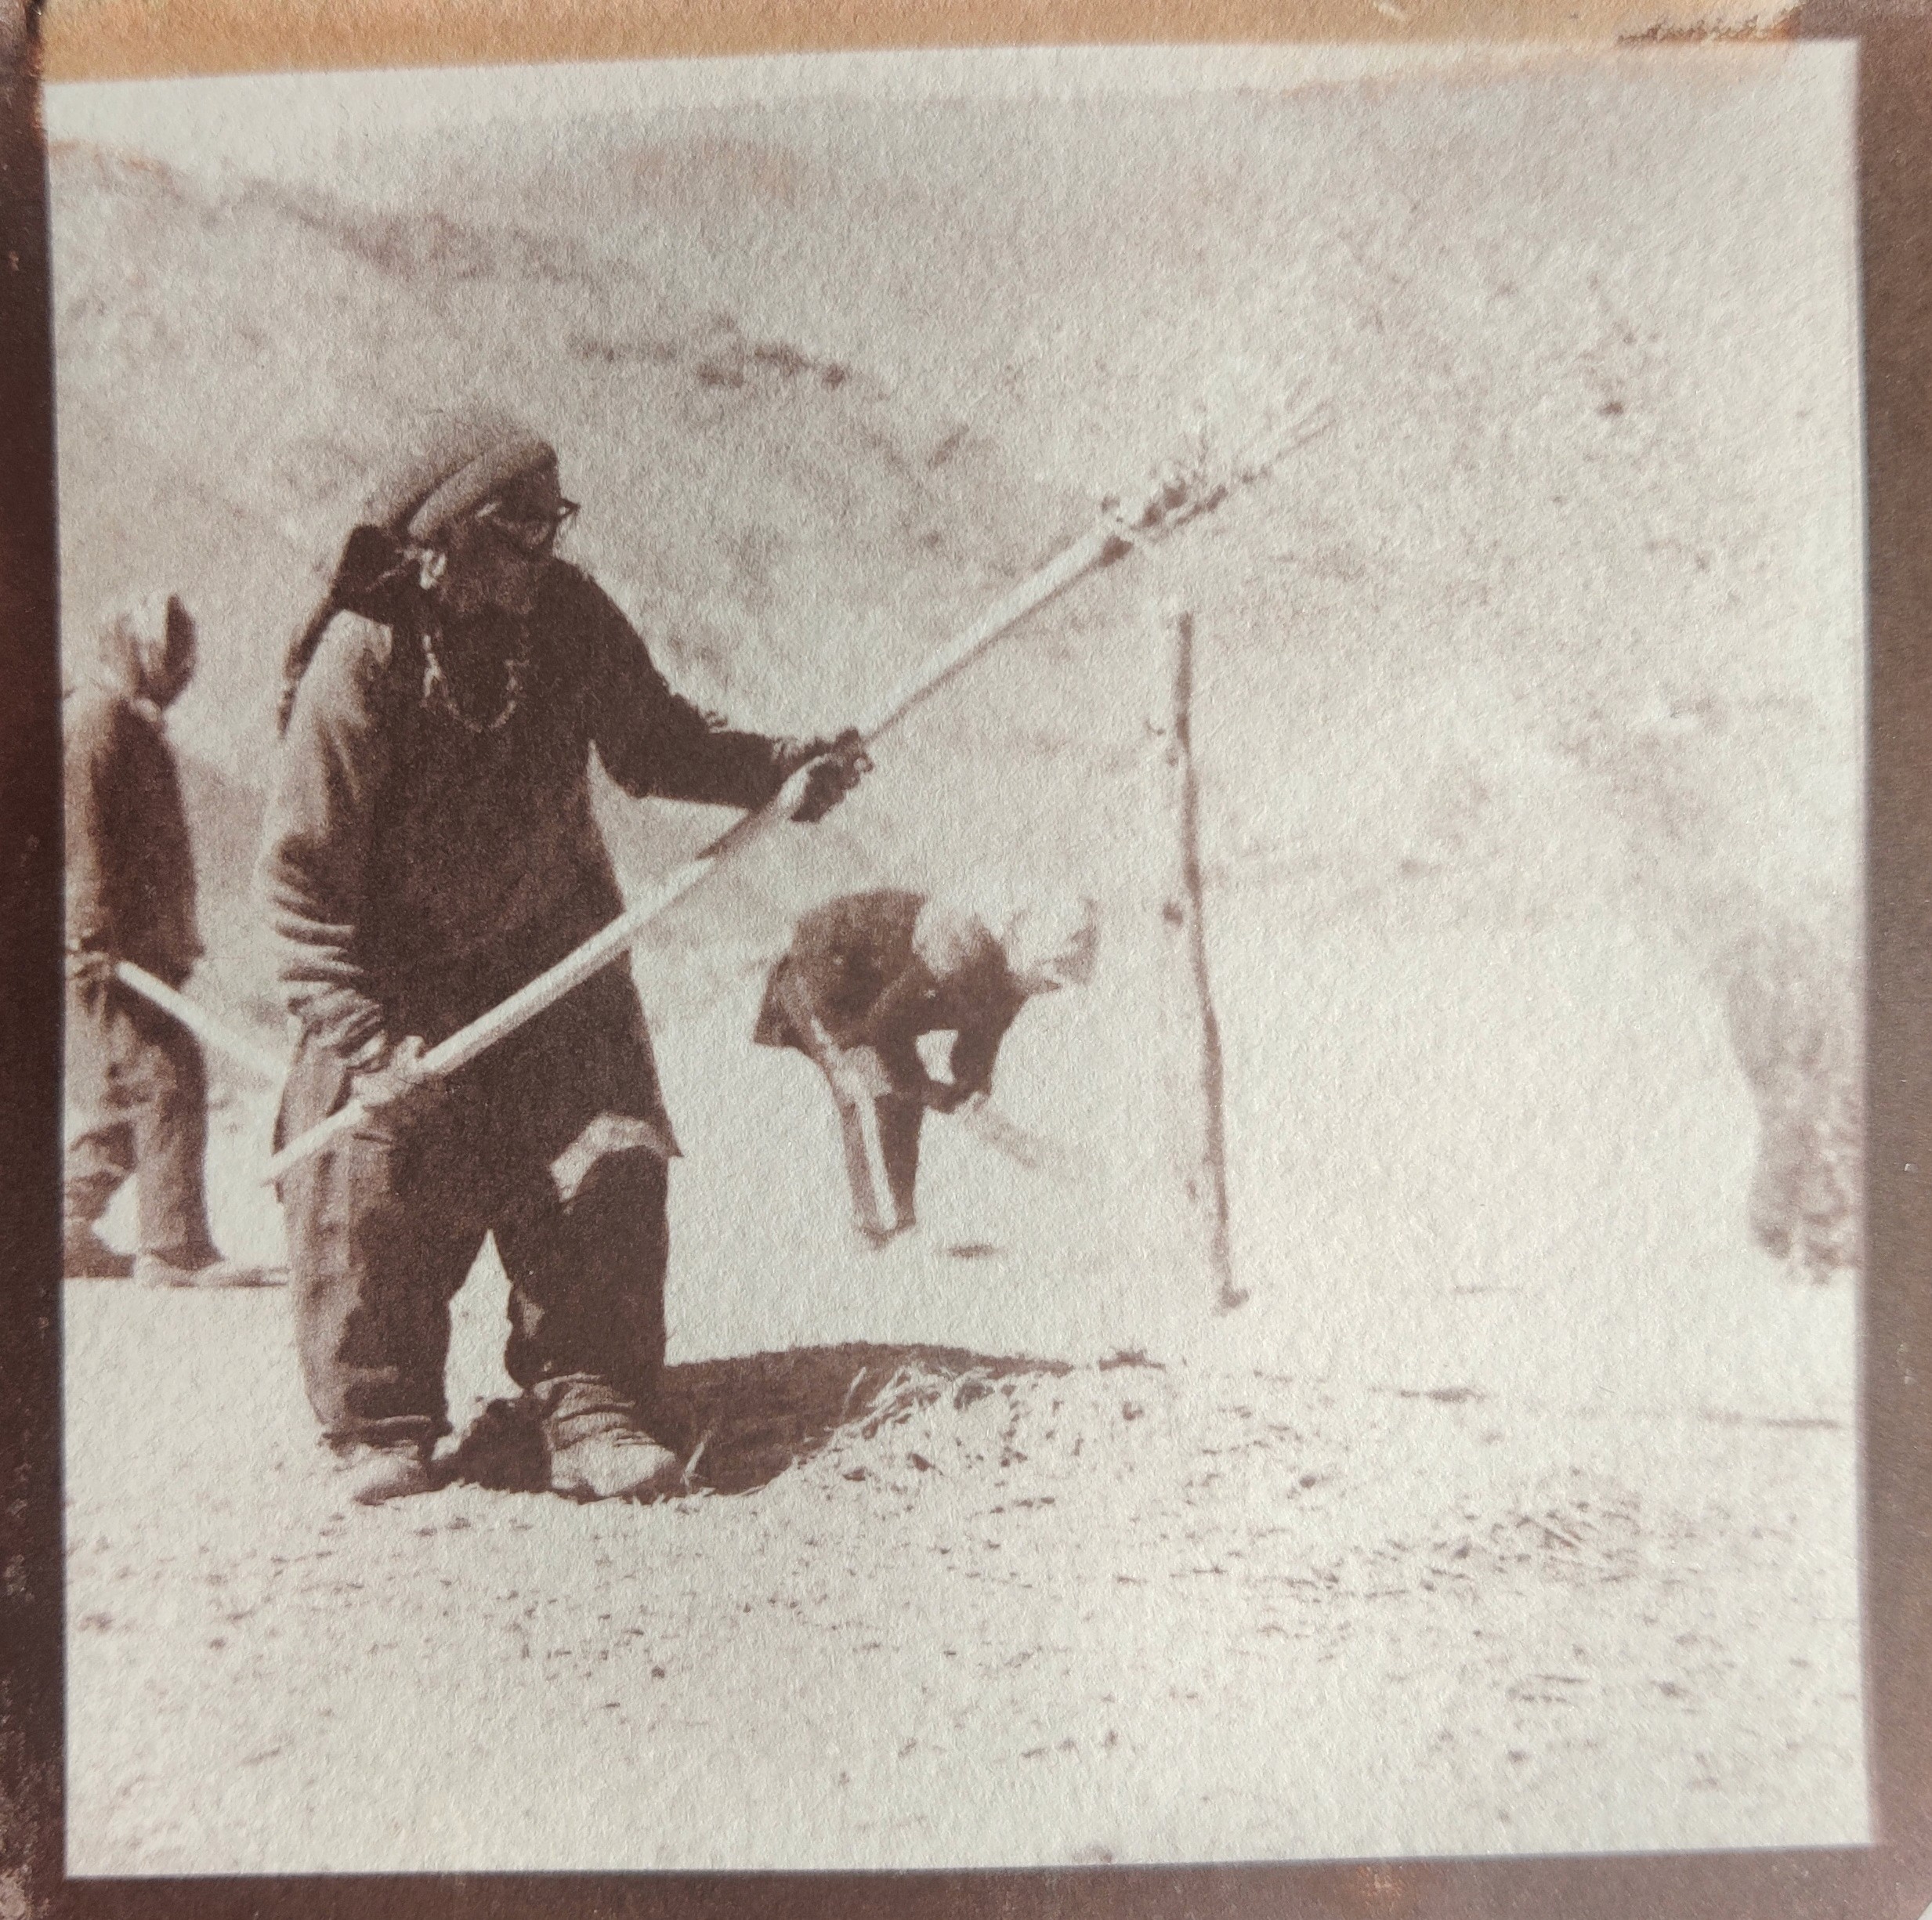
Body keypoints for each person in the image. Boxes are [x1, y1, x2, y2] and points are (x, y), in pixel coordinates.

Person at [259, 407, 867, 1507]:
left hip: (555, 946)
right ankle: (381, 1420)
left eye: (554, 524)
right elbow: (302, 888)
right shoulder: (364, 659)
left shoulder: (570, 618)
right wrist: (366, 1036)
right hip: (393, 980)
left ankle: (589, 1398)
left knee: (606, 1156)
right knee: (372, 1176)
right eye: (519, 529)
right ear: (442, 541)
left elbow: (658, 741)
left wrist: (779, 771)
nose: (545, 551)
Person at [63, 593, 270, 1289]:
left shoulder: (131, 721)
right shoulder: (96, 720)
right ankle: (173, 1244)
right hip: (110, 951)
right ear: (132, 644)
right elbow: (84, 840)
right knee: (164, 1078)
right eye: (168, 652)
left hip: (146, 947)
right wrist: (92, 937)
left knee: (133, 1092)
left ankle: (57, 1227)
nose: (182, 670)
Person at [753, 886, 1098, 1245]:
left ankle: (899, 1223)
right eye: (1052, 977)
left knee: (900, 1094)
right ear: (1034, 953)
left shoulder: (1015, 983)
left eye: (1058, 985)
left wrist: (972, 1088)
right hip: (826, 973)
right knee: (871, 1088)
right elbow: (883, 1025)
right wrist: (924, 1087)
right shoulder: (962, 947)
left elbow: (979, 1040)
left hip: (874, 996)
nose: (1050, 990)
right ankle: (876, 1232)